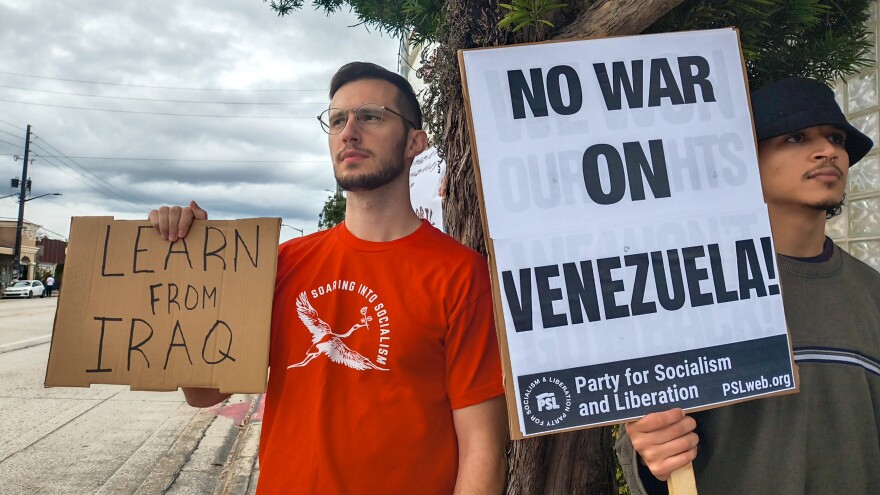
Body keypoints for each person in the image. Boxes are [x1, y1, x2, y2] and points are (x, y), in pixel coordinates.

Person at [149, 62, 507, 494]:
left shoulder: (459, 274)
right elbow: (203, 394)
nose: (349, 132)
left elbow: (481, 443)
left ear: (415, 141)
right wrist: (193, 268)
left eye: (371, 116)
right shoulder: (281, 264)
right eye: (337, 120)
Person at [617, 77, 880, 494]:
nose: (828, 150)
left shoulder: (872, 293)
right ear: (744, 160)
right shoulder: (692, 288)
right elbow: (649, 445)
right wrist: (653, 454)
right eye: (796, 136)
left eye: (835, 137)